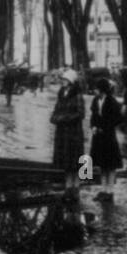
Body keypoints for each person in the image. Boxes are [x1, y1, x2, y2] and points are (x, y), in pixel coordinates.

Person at [51, 69, 86, 200]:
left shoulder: (77, 95)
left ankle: (76, 187)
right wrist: (54, 117)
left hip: (73, 132)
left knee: (74, 160)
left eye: (65, 80)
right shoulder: (61, 93)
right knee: (65, 160)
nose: (62, 82)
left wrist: (65, 118)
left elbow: (80, 114)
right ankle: (68, 187)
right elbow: (56, 108)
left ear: (71, 81)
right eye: (63, 80)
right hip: (62, 132)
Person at [89, 78, 124, 201]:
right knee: (102, 164)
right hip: (98, 136)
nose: (94, 91)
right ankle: (103, 190)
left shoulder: (111, 101)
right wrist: (93, 126)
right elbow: (93, 115)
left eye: (96, 89)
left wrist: (105, 127)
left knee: (110, 165)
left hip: (108, 136)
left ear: (102, 89)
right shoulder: (95, 100)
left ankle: (110, 191)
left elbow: (118, 118)